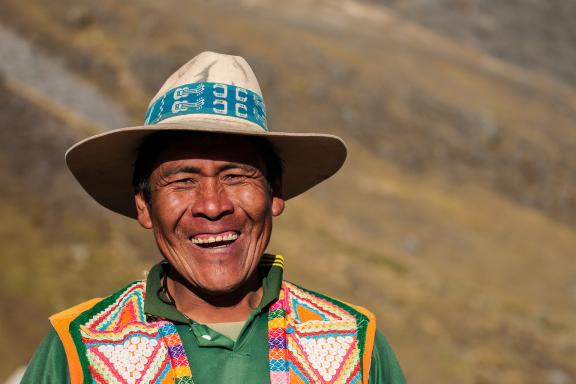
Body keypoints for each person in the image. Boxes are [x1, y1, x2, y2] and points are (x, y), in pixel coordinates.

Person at [22, 51, 405, 384]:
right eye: (183, 181)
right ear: (144, 206)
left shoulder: (353, 344)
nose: (212, 205)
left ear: (275, 193)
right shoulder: (78, 350)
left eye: (236, 176)